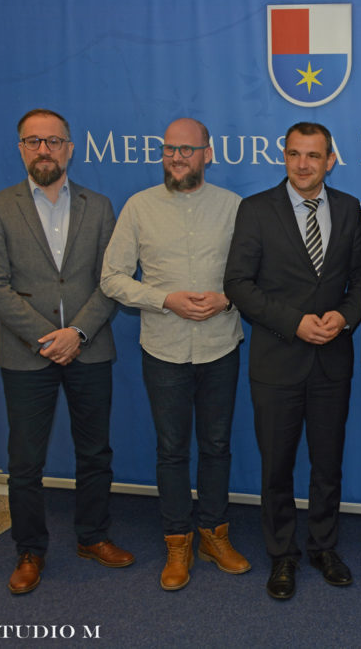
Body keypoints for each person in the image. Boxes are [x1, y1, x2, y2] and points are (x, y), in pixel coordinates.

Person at [0, 108, 133, 594]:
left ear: (70, 148)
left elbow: (111, 280)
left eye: (53, 141)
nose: (43, 150)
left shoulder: (99, 206)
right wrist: (50, 337)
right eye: (33, 141)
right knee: (25, 462)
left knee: (95, 452)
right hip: (27, 354)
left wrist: (77, 333)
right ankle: (29, 550)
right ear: (20, 148)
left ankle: (93, 536)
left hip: (90, 348)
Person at [100, 117, 248, 591]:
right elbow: (111, 277)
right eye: (169, 149)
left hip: (220, 347)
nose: (177, 157)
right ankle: (177, 541)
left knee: (217, 446)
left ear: (208, 153)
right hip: (163, 350)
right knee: (171, 450)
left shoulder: (233, 207)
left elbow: (256, 276)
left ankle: (214, 536)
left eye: (187, 149)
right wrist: (164, 299)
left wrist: (228, 299)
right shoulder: (139, 207)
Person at [224, 122, 361, 600]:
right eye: (294, 154)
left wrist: (345, 318)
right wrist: (294, 322)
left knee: (328, 465)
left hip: (332, 361)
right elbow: (238, 283)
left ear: (331, 160)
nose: (303, 164)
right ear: (283, 157)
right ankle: (282, 554)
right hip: (277, 361)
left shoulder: (348, 208)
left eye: (313, 155)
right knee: (276, 468)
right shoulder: (256, 209)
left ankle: (324, 547)